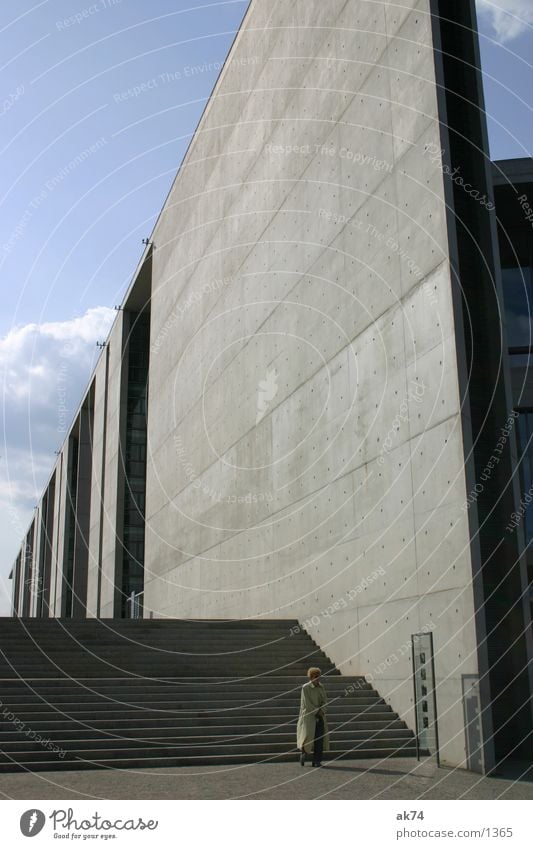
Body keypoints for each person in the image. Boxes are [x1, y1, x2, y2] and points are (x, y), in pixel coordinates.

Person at [296, 666, 330, 767]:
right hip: (309, 717)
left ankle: (317, 760)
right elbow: (306, 703)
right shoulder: (305, 688)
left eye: (319, 676)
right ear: (311, 677)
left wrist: (322, 710)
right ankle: (303, 754)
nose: (318, 678)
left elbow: (325, 700)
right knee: (307, 738)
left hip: (320, 716)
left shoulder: (321, 687)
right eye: (316, 676)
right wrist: (317, 711)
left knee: (319, 739)